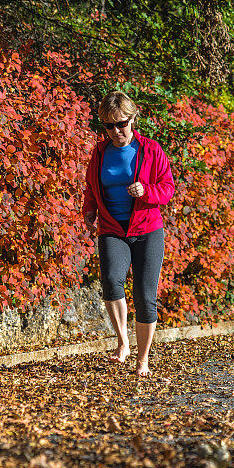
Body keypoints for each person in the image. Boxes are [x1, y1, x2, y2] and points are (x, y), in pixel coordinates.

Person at [82, 91, 175, 376]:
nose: (116, 131)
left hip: (147, 229)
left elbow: (168, 188)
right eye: (109, 126)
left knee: (145, 296)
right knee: (111, 281)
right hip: (112, 228)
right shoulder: (99, 153)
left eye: (121, 123)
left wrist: (147, 191)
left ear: (133, 119)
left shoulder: (151, 150)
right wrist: (89, 211)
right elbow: (91, 186)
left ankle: (143, 360)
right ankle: (123, 343)